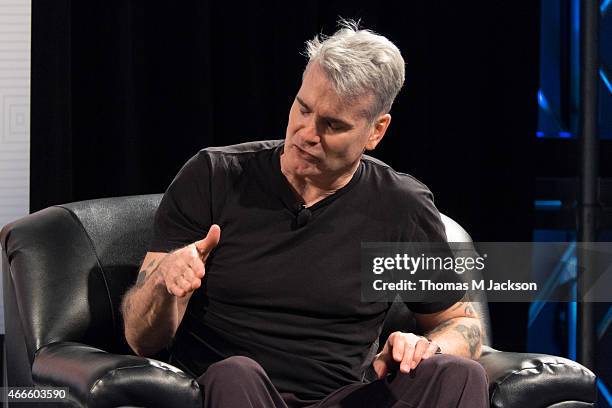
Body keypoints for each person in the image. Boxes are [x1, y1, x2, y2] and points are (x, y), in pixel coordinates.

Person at [121, 19, 488, 408]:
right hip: (232, 392)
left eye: (332, 125)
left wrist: (428, 345)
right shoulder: (214, 177)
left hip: (345, 398)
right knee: (236, 372)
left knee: (461, 373)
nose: (306, 133)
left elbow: (462, 324)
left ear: (376, 132)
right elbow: (140, 339)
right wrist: (163, 285)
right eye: (303, 108)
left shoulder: (400, 207)